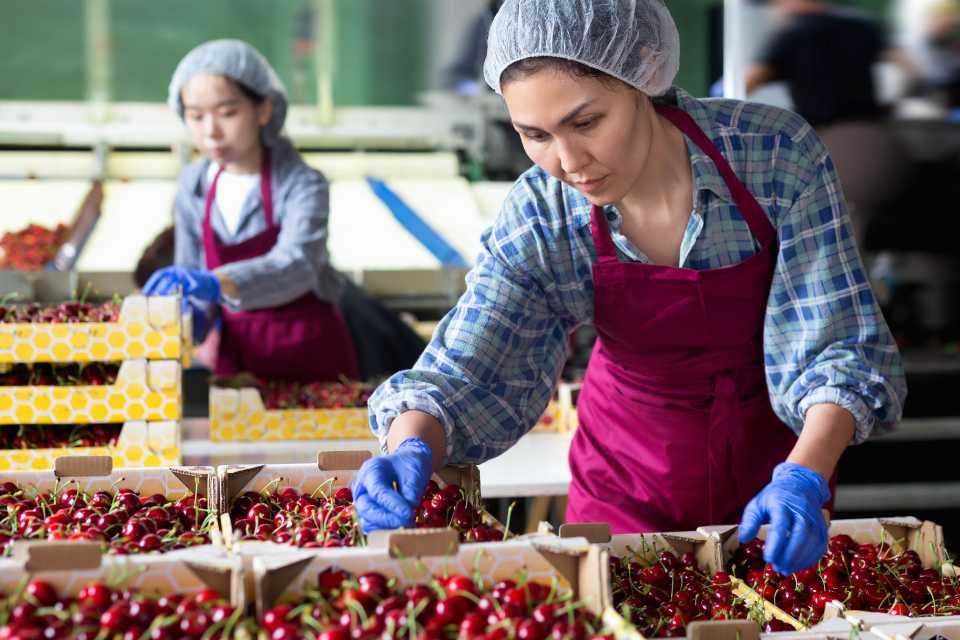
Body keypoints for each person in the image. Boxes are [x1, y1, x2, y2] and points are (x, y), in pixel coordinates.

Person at [352, 0, 906, 576]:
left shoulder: (773, 158)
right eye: (534, 135)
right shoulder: (545, 212)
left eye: (586, 122)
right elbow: (474, 361)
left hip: (777, 479)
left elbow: (834, 346)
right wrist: (410, 442)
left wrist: (803, 476)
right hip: (624, 478)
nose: (567, 162)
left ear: (644, 71)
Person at [143, 40, 358, 383]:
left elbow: (297, 264)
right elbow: (191, 269)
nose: (210, 131)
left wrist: (216, 282)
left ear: (264, 109)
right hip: (238, 359)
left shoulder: (302, 183)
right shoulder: (194, 185)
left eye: (227, 113)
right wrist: (189, 321)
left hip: (308, 351)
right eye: (195, 116)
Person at [746, 0, 913, 246]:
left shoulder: (790, 35)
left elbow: (744, 85)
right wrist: (894, 104)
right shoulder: (863, 27)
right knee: (858, 232)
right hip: (881, 147)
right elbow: (911, 70)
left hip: (834, 152)